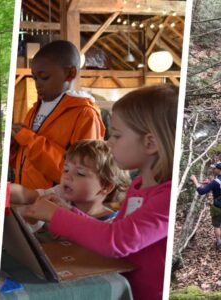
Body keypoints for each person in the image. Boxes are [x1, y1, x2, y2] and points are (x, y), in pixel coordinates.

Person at [21, 84, 178, 300]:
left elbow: (117, 241)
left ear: (150, 142)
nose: (109, 143)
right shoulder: (139, 185)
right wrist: (66, 210)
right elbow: (114, 229)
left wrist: (56, 215)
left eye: (116, 136)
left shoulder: (166, 198)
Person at [10, 40, 105, 190]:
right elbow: (26, 161)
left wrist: (28, 139)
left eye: (44, 77)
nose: (38, 84)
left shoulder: (85, 115)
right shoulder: (34, 110)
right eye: (35, 78)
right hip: (26, 201)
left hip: (54, 205)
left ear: (70, 73)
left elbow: (81, 173)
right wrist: (13, 146)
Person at [10, 140, 130, 221]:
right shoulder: (60, 194)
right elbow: (26, 194)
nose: (67, 176)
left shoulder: (112, 223)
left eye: (80, 173)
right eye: (66, 170)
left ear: (106, 187)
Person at [190, 163, 221, 250]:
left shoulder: (215, 182)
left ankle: (219, 243)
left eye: (214, 168)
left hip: (217, 208)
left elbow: (201, 191)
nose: (213, 170)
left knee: (217, 225)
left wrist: (195, 180)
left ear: (218, 170)